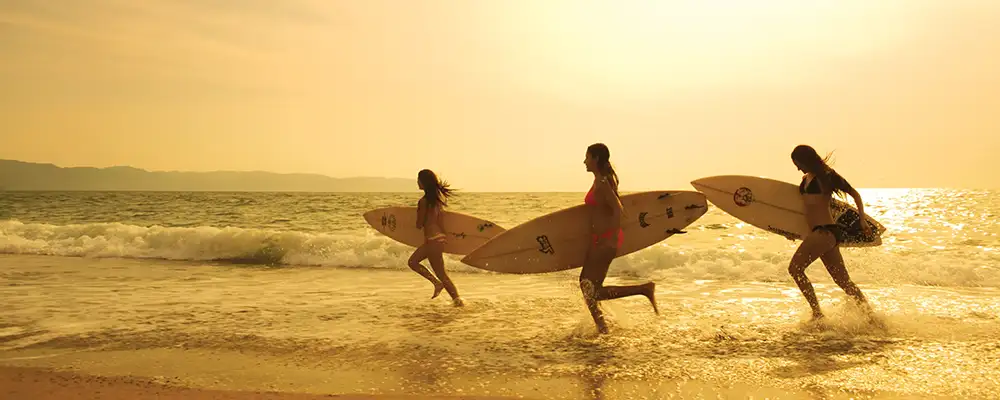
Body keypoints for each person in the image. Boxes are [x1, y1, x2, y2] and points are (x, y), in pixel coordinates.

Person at [787, 145, 874, 320]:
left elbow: (854, 194)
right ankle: (871, 317)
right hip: (821, 234)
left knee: (795, 269)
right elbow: (805, 210)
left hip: (825, 232)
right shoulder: (805, 179)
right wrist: (790, 230)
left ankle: (817, 313)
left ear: (806, 160)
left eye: (798, 163)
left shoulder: (827, 176)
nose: (797, 168)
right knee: (843, 282)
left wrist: (862, 220)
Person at [580, 143, 658, 334]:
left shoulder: (603, 183)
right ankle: (602, 327)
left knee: (592, 290)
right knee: (586, 284)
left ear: (596, 158)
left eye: (587, 157)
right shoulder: (600, 180)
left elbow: (618, 209)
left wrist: (610, 238)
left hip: (605, 240)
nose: (584, 161)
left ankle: (643, 289)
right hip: (599, 239)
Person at [407, 169, 464, 307]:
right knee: (442, 274)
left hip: (432, 240)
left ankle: (437, 284)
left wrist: (415, 218)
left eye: (418, 179)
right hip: (439, 238)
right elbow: (440, 221)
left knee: (413, 262)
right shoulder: (439, 200)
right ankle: (458, 301)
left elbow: (419, 224)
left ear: (424, 182)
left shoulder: (423, 202)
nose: (417, 182)